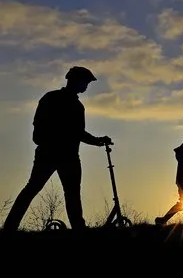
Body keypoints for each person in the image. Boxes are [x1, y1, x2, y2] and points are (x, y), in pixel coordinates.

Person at [1, 66, 112, 233]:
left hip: (56, 154)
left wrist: (97, 141)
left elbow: (75, 132)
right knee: (66, 193)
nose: (87, 86)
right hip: (59, 155)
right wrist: (96, 141)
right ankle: (78, 229)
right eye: (85, 82)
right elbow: (75, 132)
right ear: (75, 81)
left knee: (43, 190)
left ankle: (10, 228)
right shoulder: (67, 103)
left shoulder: (56, 99)